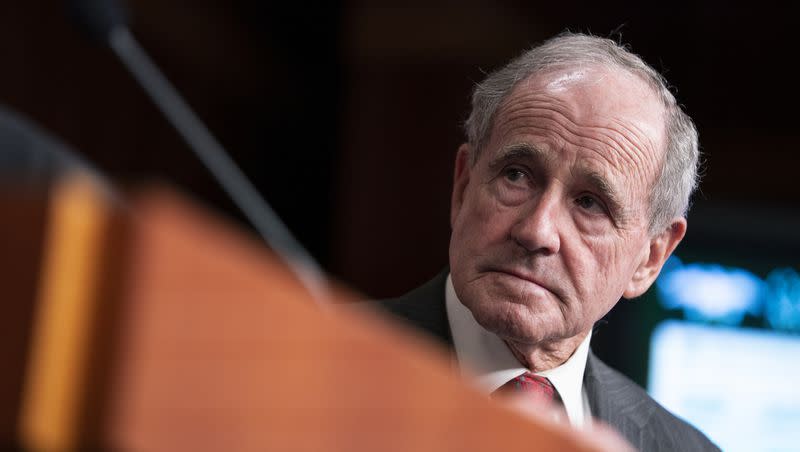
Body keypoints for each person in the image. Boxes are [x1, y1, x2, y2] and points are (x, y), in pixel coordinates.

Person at [376, 32, 719, 451]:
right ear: (463, 187)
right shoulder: (306, 361)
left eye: (590, 204)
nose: (536, 231)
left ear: (651, 257)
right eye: (516, 175)